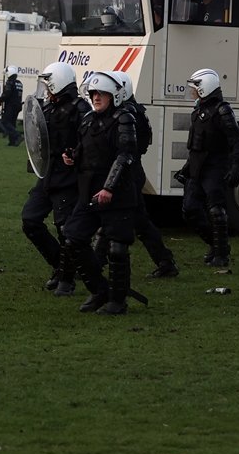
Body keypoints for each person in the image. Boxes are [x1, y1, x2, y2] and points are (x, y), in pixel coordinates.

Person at [61, 72, 142, 315]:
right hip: (89, 194)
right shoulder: (87, 119)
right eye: (94, 93)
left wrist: (109, 187)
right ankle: (100, 291)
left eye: (101, 93)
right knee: (73, 237)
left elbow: (125, 155)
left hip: (116, 195)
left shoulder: (124, 119)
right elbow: (86, 150)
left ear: (114, 95)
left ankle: (117, 301)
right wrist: (72, 156)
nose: (96, 97)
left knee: (117, 248)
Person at [98, 71, 179, 279]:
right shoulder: (134, 111)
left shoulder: (129, 114)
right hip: (131, 172)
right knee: (138, 222)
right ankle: (165, 261)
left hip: (129, 174)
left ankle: (94, 263)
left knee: (114, 222)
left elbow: (130, 149)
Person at [19, 62, 89, 295]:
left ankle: (67, 280)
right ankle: (60, 266)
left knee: (65, 230)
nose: (46, 89)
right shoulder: (47, 108)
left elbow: (90, 143)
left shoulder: (81, 109)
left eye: (49, 84)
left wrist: (75, 155)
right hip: (47, 176)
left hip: (69, 180)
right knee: (30, 220)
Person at [175, 68, 239, 267]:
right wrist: (186, 169)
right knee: (189, 210)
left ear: (204, 88)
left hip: (215, 167)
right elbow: (196, 146)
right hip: (197, 169)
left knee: (216, 210)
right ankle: (216, 245)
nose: (192, 91)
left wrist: (235, 168)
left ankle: (221, 254)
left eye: (195, 87)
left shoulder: (222, 111)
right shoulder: (198, 111)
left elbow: (237, 141)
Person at [0, 65, 23, 146]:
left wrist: (0, 99)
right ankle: (12, 141)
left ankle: (18, 136)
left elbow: (7, 94)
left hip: (10, 105)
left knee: (5, 121)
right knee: (12, 123)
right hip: (18, 105)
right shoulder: (19, 83)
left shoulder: (10, 82)